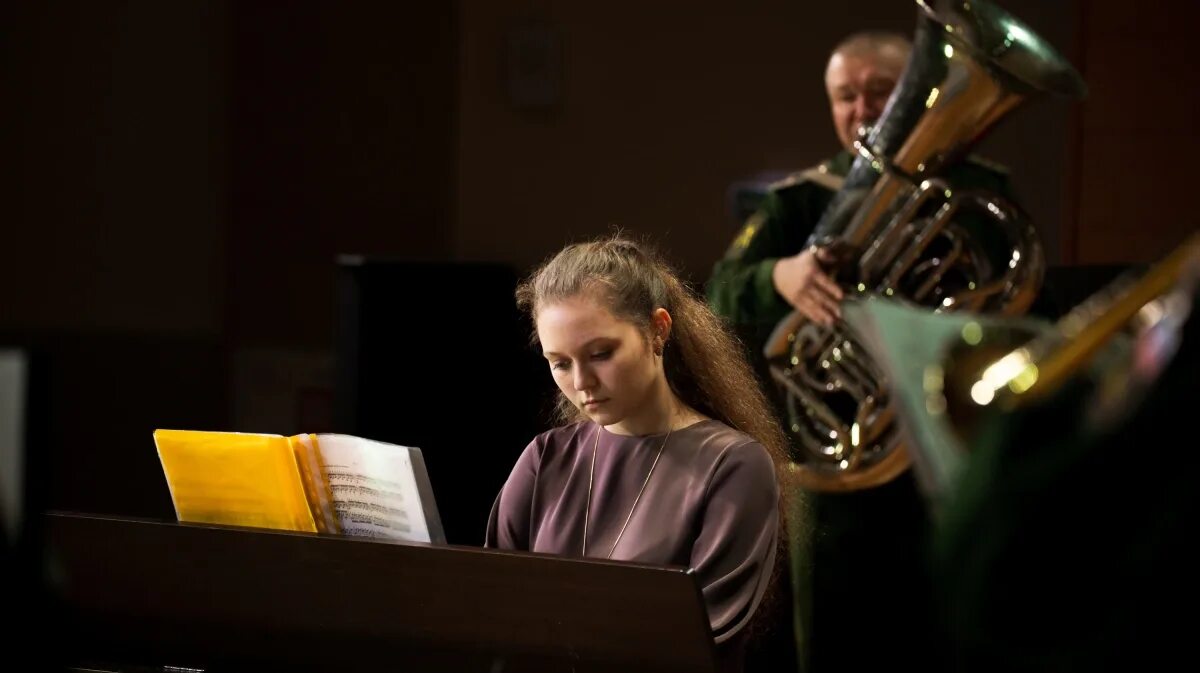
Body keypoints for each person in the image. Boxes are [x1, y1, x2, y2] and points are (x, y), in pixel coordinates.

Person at [705, 30, 1029, 673]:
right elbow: (716, 293)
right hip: (841, 464)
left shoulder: (977, 191)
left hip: (949, 445)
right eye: (845, 96)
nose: (862, 109)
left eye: (880, 92)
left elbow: (1024, 300)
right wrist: (781, 276)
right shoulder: (799, 199)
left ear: (919, 95)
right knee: (839, 637)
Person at [485, 234, 794, 672]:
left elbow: (698, 636)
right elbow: (492, 610)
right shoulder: (543, 459)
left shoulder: (734, 467)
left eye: (601, 353)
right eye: (560, 363)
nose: (582, 382)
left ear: (658, 330)